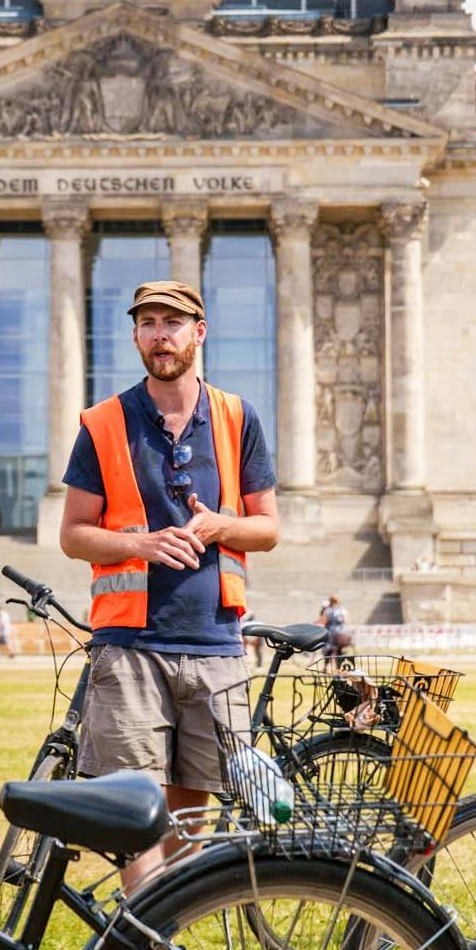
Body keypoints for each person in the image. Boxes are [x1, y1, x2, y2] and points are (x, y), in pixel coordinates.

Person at [59, 279, 279, 891]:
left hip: (215, 641)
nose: (161, 334)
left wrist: (220, 526)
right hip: (129, 643)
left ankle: (165, 932)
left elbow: (268, 529)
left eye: (173, 322)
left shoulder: (238, 417)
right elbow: (74, 534)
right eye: (148, 322)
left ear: (198, 333)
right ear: (134, 335)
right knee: (135, 811)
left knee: (190, 814)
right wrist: (142, 543)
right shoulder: (104, 423)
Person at [319, 594, 351, 658]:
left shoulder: (328, 610)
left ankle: (326, 666)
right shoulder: (342, 609)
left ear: (330, 601)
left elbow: (324, 621)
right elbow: (346, 621)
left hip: (330, 633)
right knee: (340, 650)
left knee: (329, 650)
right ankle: (339, 665)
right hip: (341, 633)